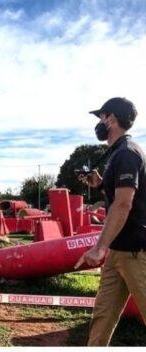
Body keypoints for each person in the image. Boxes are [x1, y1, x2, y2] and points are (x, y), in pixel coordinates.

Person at [75, 97, 146, 346]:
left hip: (135, 252)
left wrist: (99, 248)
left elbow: (124, 204)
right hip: (118, 252)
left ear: (111, 119)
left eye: (101, 117)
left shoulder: (126, 154)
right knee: (102, 317)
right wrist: (100, 184)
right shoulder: (117, 153)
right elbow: (120, 196)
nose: (99, 123)